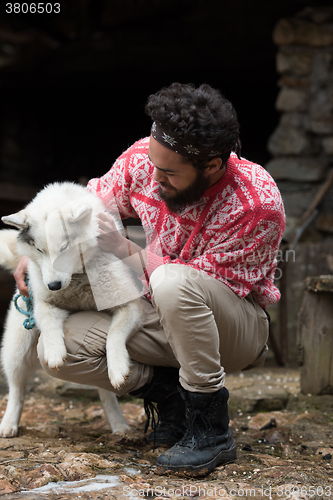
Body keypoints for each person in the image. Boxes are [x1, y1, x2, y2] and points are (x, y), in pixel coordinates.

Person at [15, 83, 285, 476]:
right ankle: (170, 396)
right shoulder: (146, 160)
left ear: (211, 166)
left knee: (173, 282)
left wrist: (126, 251)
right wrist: (36, 249)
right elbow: (83, 204)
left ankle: (210, 426)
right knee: (59, 348)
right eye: (153, 164)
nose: (152, 176)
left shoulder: (256, 204)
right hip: (162, 313)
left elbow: (196, 286)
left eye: (169, 172)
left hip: (231, 329)